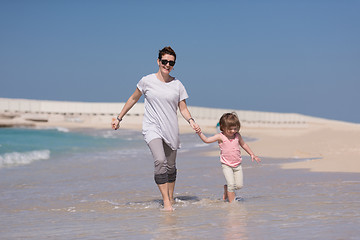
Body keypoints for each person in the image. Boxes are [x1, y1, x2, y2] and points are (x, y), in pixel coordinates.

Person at [112, 46, 200, 211]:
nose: (167, 65)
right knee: (160, 161)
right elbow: (133, 98)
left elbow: (183, 108)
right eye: (164, 61)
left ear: (174, 64)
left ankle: (171, 197)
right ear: (158, 61)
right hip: (152, 127)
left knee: (171, 166)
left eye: (171, 63)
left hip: (171, 128)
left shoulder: (177, 85)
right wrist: (119, 118)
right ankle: (166, 201)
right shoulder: (147, 81)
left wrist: (191, 121)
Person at [197, 112, 261, 203]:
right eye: (230, 129)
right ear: (223, 127)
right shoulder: (220, 136)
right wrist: (199, 133)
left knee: (239, 186)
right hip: (226, 165)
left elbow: (243, 144)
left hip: (237, 165)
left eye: (235, 128)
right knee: (231, 185)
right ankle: (232, 204)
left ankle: (226, 188)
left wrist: (252, 154)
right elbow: (207, 140)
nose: (233, 131)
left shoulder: (237, 136)